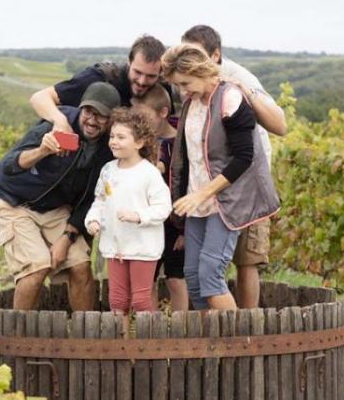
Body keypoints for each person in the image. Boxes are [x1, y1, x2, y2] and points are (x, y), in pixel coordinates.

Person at [163, 44, 280, 311]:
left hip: (226, 200)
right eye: (177, 85)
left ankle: (239, 346)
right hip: (198, 203)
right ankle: (211, 345)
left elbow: (244, 157)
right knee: (192, 275)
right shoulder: (192, 102)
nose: (182, 91)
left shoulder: (230, 99)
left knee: (211, 275)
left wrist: (202, 194)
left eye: (185, 83)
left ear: (201, 71)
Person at [0, 82, 120, 310]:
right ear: (81, 108)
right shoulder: (58, 124)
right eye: (89, 112)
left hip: (53, 208)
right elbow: (7, 166)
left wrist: (67, 237)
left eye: (101, 116)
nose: (92, 120)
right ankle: (18, 342)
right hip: (12, 201)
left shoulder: (108, 148)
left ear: (111, 121)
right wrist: (42, 151)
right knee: (37, 268)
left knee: (80, 265)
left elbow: (92, 199)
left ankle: (84, 339)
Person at [85, 108, 172, 325]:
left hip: (143, 247)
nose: (114, 141)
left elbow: (163, 207)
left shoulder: (149, 173)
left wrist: (138, 216)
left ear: (139, 142)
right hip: (115, 246)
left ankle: (149, 348)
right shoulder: (108, 170)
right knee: (117, 300)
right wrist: (93, 220)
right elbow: (100, 200)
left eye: (121, 137)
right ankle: (122, 346)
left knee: (141, 300)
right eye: (112, 136)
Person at [29, 35, 169, 134]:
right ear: (129, 62)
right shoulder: (100, 77)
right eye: (137, 72)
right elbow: (39, 98)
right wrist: (60, 122)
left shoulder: (161, 90)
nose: (142, 81)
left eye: (151, 76)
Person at [131, 85, 189, 312]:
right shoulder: (141, 144)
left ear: (163, 112)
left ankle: (181, 327)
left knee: (176, 278)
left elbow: (189, 187)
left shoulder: (182, 144)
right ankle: (152, 330)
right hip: (148, 224)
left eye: (144, 118)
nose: (140, 125)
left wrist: (185, 230)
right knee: (148, 279)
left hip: (175, 223)